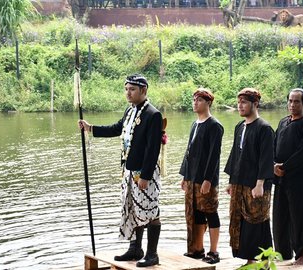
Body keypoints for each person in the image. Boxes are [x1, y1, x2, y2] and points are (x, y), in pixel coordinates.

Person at [78, 74, 163, 267]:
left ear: (144, 90)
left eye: (132, 89)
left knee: (150, 211)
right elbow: (117, 128)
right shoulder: (130, 110)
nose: (128, 93)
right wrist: (91, 128)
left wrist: (146, 176)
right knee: (132, 209)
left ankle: (152, 254)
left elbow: (153, 150)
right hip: (128, 169)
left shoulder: (153, 114)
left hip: (144, 172)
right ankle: (135, 249)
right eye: (126, 89)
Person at [224, 88, 275, 265]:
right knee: (240, 222)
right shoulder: (240, 127)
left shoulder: (265, 128)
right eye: (238, 103)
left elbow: (267, 158)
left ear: (255, 104)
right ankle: (250, 260)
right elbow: (235, 155)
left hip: (256, 184)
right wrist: (231, 181)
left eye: (244, 102)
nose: (240, 106)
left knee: (257, 221)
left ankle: (264, 260)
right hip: (239, 182)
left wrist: (260, 183)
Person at [272, 88, 303, 265]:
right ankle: (282, 253)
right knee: (280, 216)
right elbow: (274, 145)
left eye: (297, 102)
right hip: (280, 177)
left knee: (299, 216)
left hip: (298, 178)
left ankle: (302, 253)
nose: (292, 105)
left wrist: (285, 166)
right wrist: (274, 165)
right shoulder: (283, 122)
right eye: (290, 101)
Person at [179, 88, 224, 264]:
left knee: (210, 212)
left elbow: (214, 155)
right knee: (195, 214)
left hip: (206, 179)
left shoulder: (214, 125)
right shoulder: (194, 124)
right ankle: (197, 249)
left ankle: (214, 252)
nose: (195, 103)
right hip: (192, 177)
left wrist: (208, 180)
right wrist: (184, 175)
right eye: (194, 100)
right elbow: (188, 151)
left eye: (199, 100)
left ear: (208, 103)